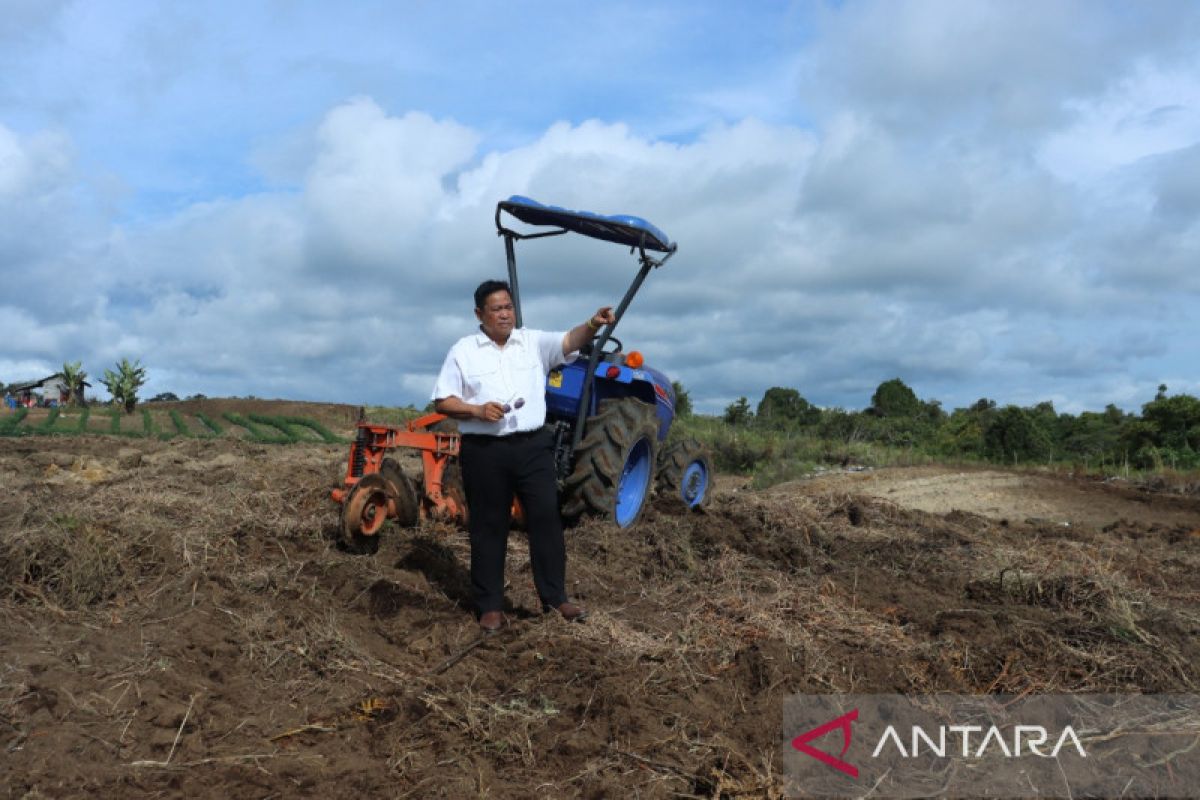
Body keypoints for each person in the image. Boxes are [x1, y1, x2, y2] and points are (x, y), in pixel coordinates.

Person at [432, 279, 615, 632]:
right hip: (485, 451)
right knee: (488, 527)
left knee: (546, 518)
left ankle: (555, 598)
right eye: (497, 309)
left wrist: (592, 324)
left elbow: (569, 341)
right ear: (479, 314)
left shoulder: (532, 342)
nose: (505, 314)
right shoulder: (463, 350)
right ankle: (490, 607)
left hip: (532, 447)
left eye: (509, 307)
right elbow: (443, 400)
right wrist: (476, 410)